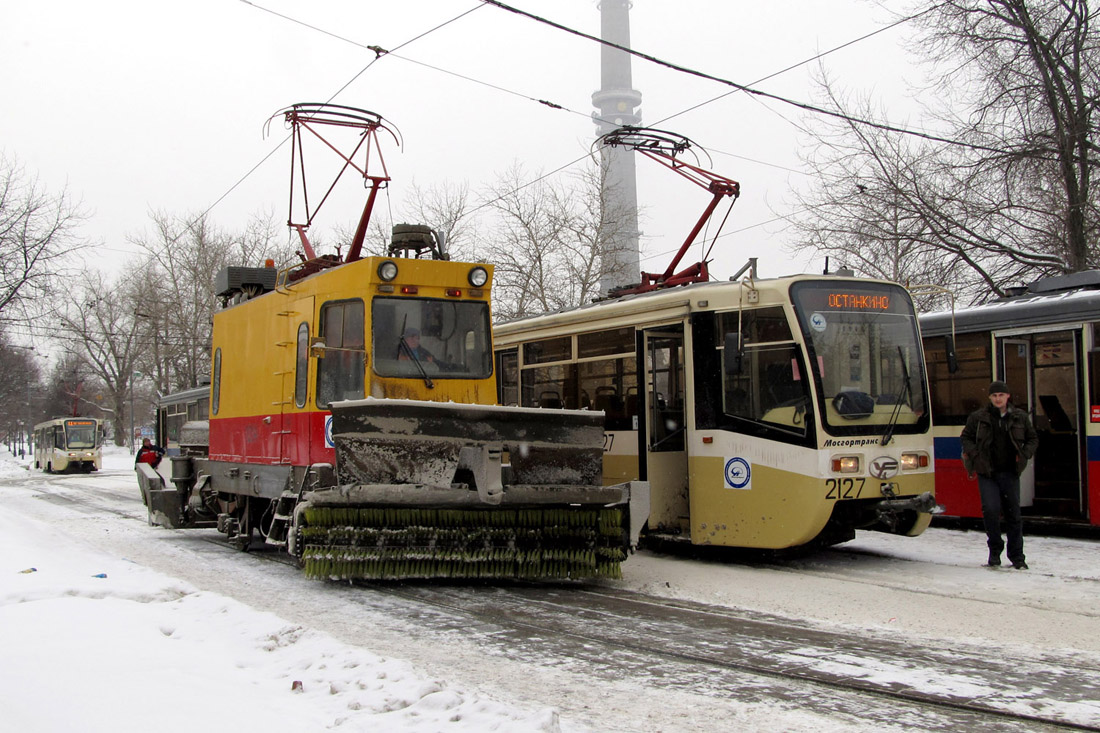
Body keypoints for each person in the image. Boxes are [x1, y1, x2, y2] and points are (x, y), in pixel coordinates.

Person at [959, 380, 1038, 569]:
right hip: (988, 473)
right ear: (989, 398)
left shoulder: (1019, 417)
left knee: (1014, 515)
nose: (997, 399)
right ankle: (995, 551)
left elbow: (1032, 438)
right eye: (994, 396)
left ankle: (1017, 556)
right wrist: (975, 455)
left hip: (1010, 473)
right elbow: (966, 437)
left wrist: (1024, 453)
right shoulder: (978, 417)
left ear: (1007, 396)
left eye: (1001, 395)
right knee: (991, 511)